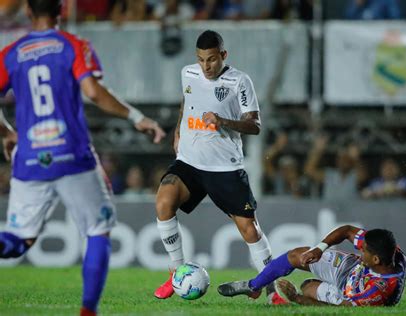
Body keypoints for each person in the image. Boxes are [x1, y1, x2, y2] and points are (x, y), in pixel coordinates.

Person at [0, 1, 166, 315]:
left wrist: (7, 132)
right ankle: (88, 310)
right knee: (97, 231)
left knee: (18, 241)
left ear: (27, 11)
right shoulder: (73, 46)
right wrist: (137, 117)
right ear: (61, 10)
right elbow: (93, 91)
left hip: (30, 156)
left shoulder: (11, 53)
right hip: (71, 153)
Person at [153, 30, 286, 305]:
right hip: (189, 161)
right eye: (201, 60)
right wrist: (178, 130)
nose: (206, 66)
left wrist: (224, 121)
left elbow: (255, 125)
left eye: (212, 59)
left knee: (250, 230)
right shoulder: (187, 73)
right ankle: (176, 270)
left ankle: (272, 292)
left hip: (224, 167)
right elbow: (186, 102)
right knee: (164, 201)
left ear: (223, 55)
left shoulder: (239, 81)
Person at [218, 225, 406, 307]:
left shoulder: (378, 291)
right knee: (298, 255)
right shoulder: (387, 250)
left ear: (375, 260)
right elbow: (347, 230)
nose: (360, 251)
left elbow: (343, 310)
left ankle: (310, 290)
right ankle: (253, 286)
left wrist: (296, 298)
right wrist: (320, 248)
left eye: (364, 251)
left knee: (307, 288)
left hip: (347, 293)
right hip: (351, 269)